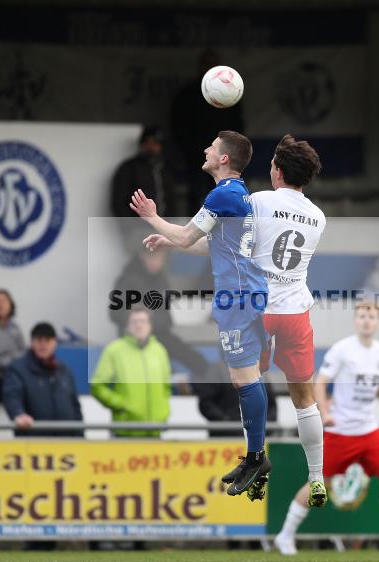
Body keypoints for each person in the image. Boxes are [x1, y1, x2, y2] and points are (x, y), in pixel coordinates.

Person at [146, 134, 329, 507]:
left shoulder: (257, 201)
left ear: (276, 171)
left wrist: (171, 235)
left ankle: (255, 458)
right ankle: (316, 476)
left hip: (257, 307)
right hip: (295, 309)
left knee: (247, 382)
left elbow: (228, 243)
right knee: (304, 399)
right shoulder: (318, 217)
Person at [129, 130, 270, 499]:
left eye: (212, 146)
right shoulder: (239, 195)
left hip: (237, 298)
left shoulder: (222, 193)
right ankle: (255, 455)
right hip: (247, 294)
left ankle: (256, 456)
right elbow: (212, 246)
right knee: (245, 378)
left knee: (243, 380)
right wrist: (168, 236)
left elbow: (186, 237)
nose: (206, 149)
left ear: (224, 158)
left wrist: (153, 218)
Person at [273, 302, 379, 556]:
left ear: (378, 322)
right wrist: (325, 413)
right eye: (362, 316)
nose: (367, 321)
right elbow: (320, 383)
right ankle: (285, 536)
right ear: (355, 320)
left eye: (372, 317)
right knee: (319, 484)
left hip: (369, 430)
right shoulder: (342, 350)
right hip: (341, 431)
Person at [110, 246, 208, 378]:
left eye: (160, 257)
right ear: (142, 256)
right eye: (152, 256)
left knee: (196, 360)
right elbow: (115, 313)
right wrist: (140, 322)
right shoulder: (128, 280)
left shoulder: (160, 281)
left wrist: (158, 322)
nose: (156, 261)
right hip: (137, 338)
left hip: (161, 334)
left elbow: (166, 316)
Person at [170, 50, 244, 216]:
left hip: (224, 156)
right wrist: (190, 149)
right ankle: (194, 233)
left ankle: (222, 232)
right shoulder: (187, 94)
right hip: (195, 156)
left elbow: (237, 125)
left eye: (214, 64)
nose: (210, 67)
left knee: (224, 193)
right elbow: (177, 125)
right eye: (207, 64)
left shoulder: (230, 94)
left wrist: (230, 150)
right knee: (196, 195)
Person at [91, 308, 171, 438]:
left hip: (155, 432)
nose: (139, 325)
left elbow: (166, 388)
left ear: (150, 325)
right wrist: (121, 405)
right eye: (134, 321)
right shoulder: (114, 350)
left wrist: (164, 412)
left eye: (143, 321)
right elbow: (97, 386)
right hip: (125, 432)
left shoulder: (159, 350)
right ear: (127, 326)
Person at [2, 322, 83, 437]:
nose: (43, 345)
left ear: (55, 343)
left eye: (48, 340)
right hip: (34, 445)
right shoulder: (17, 369)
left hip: (67, 443)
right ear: (31, 342)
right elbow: (12, 396)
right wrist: (18, 414)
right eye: (39, 340)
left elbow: (75, 406)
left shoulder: (64, 371)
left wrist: (80, 435)